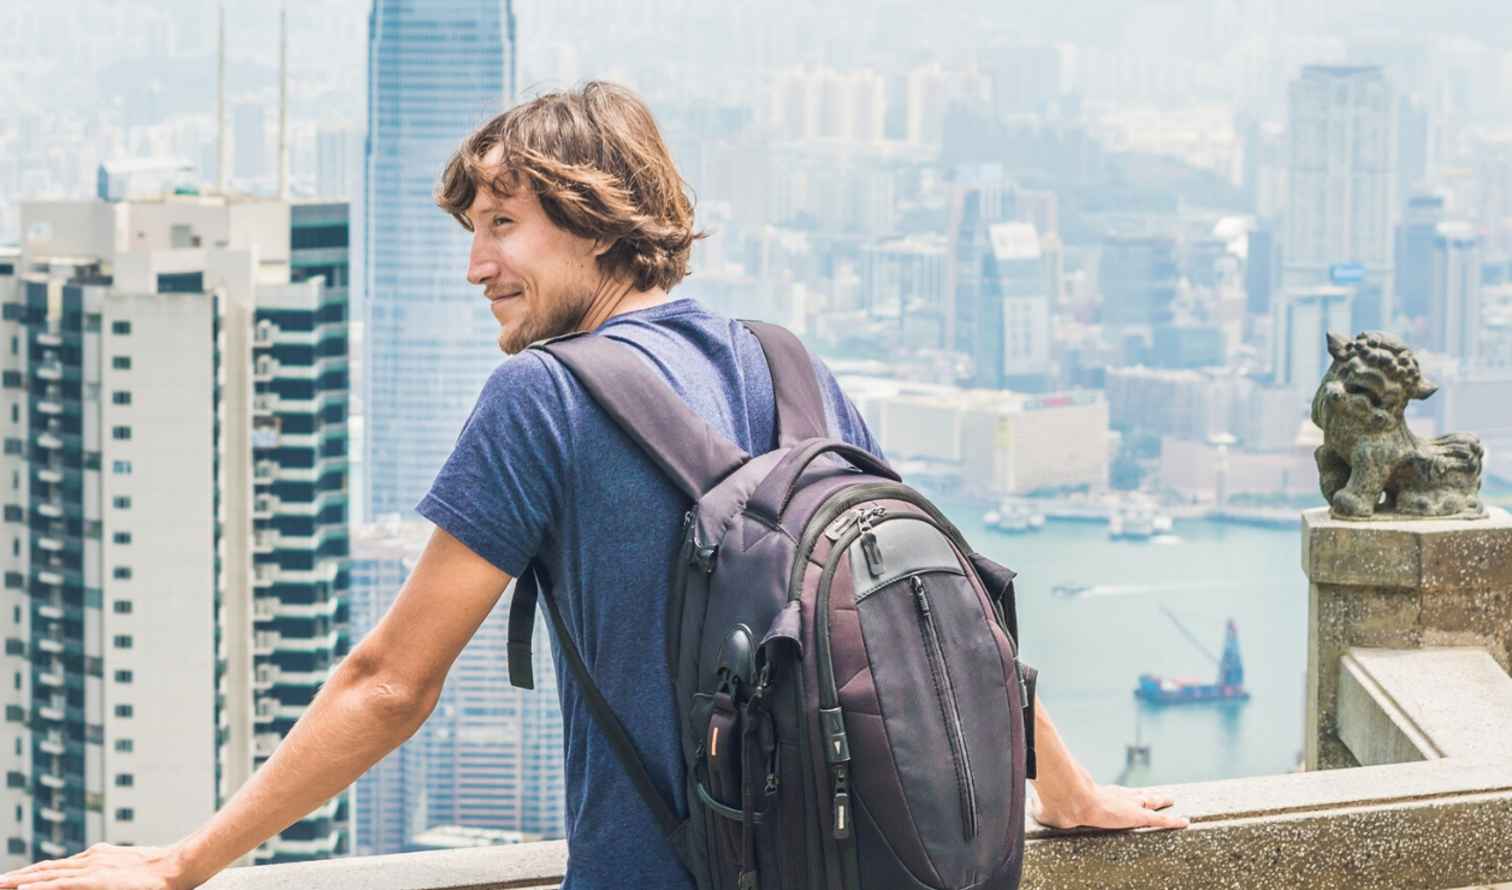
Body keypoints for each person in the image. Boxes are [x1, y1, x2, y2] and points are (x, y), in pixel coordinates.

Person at [0, 81, 1186, 890]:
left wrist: (178, 863)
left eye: (502, 225)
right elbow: (937, 615)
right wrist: (1067, 791)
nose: (476, 265)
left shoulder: (545, 399)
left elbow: (389, 682)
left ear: (594, 217)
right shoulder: (789, 358)